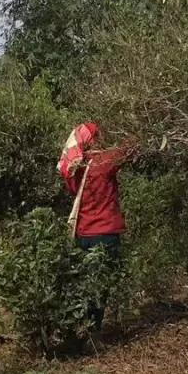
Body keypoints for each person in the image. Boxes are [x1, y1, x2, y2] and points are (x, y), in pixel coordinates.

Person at [58, 122, 137, 330]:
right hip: (104, 233)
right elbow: (129, 148)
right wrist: (135, 122)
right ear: (93, 140)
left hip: (82, 234)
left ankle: (80, 326)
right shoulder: (103, 162)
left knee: (85, 281)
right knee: (102, 283)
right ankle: (93, 331)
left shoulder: (76, 168)